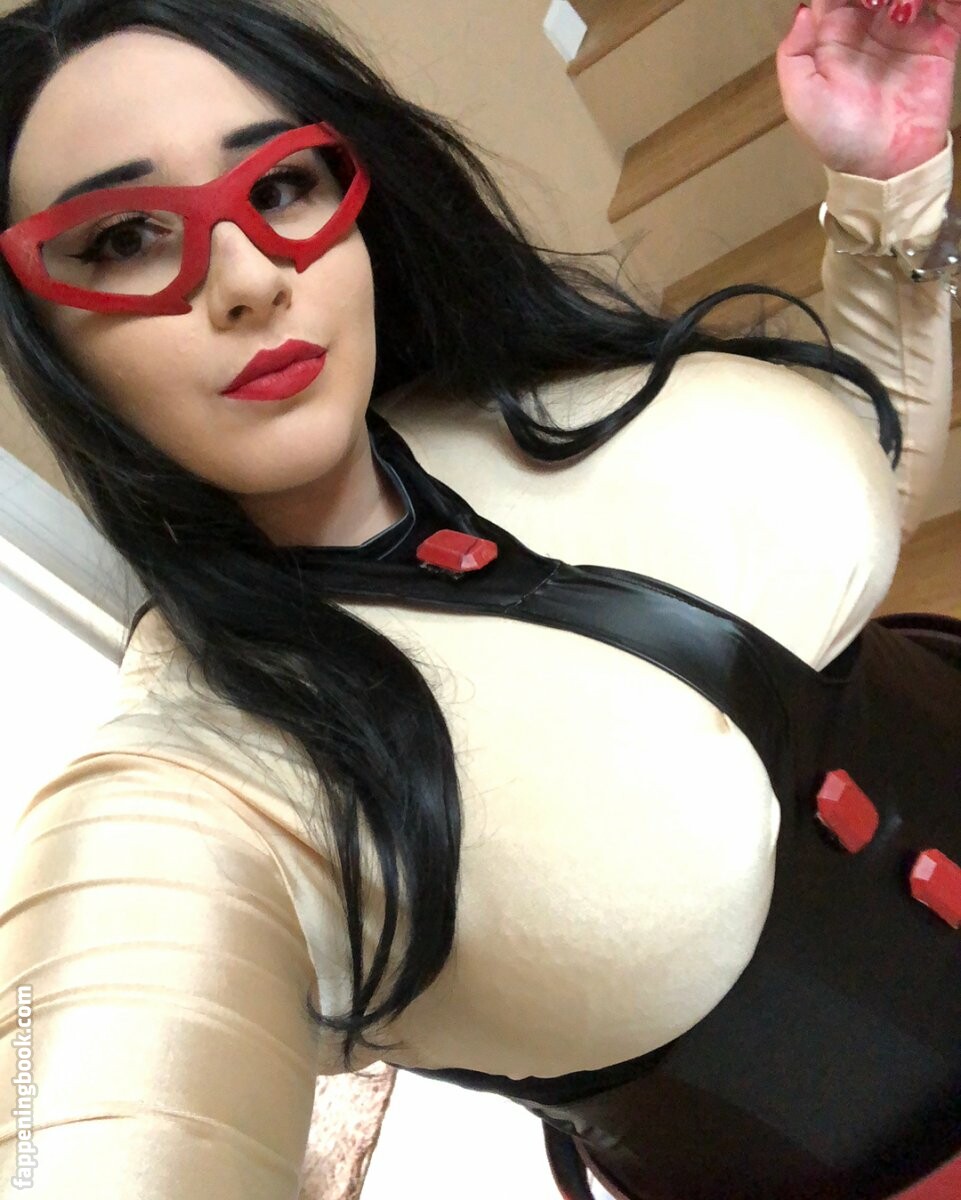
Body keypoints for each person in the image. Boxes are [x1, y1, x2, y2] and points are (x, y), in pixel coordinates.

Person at [2, 0, 961, 1196]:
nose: (248, 276)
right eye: (123, 239)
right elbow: (77, 1119)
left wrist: (888, 198)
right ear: (41, 330)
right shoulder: (202, 783)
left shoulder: (508, 390)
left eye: (282, 185)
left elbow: (816, 551)